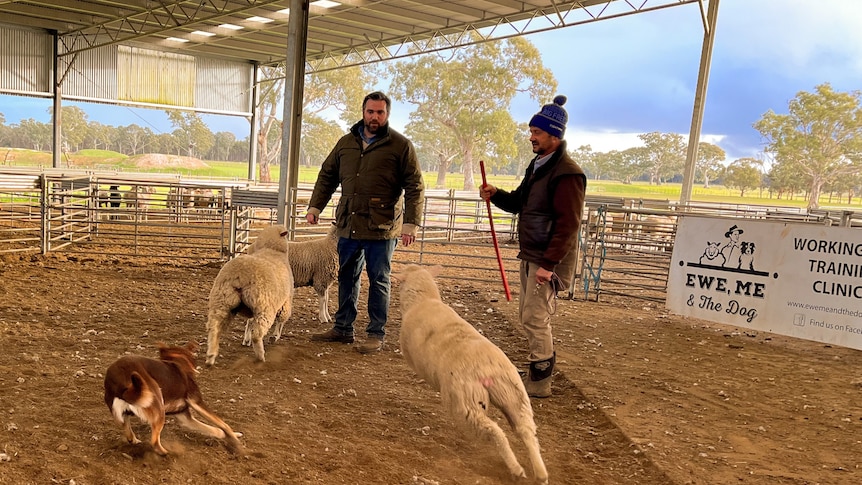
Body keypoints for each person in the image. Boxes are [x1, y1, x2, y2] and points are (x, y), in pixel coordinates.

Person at [479, 95, 586, 398]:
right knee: (528, 315)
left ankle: (540, 380)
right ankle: (536, 370)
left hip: (546, 258)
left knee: (535, 317)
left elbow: (568, 224)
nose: (531, 137)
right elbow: (519, 202)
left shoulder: (568, 174)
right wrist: (496, 193)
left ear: (554, 135)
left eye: (537, 133)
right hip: (532, 253)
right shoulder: (538, 165)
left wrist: (549, 264)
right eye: (531, 132)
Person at [306, 91, 425, 354]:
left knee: (379, 279)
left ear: (387, 114)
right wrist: (316, 206)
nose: (374, 117)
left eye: (380, 112)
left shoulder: (400, 145)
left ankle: (375, 333)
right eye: (370, 111)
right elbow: (327, 175)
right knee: (347, 275)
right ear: (363, 111)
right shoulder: (346, 143)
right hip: (349, 223)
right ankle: (343, 328)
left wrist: (411, 223)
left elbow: (415, 186)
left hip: (382, 228)